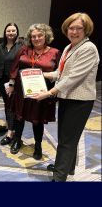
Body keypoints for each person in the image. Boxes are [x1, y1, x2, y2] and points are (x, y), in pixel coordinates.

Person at [33, 13, 99, 181]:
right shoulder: (70, 47)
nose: (74, 31)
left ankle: (59, 177)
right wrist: (43, 74)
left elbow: (73, 77)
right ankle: (68, 168)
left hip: (80, 101)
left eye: (79, 28)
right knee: (66, 136)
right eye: (71, 28)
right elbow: (61, 73)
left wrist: (49, 92)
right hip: (67, 98)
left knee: (67, 140)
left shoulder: (88, 48)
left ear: (86, 30)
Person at [6, 23, 60, 160]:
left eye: (39, 35)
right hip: (21, 90)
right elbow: (15, 67)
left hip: (41, 93)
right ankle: (17, 140)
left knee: (38, 120)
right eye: (33, 36)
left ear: (46, 36)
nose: (36, 38)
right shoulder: (24, 50)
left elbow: (59, 73)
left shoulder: (55, 52)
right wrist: (11, 83)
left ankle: (38, 145)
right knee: (19, 117)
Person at [0, 23, 23, 145]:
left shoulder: (21, 47)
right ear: (5, 32)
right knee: (8, 105)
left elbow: (20, 65)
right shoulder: (0, 46)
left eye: (13, 30)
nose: (11, 33)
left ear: (17, 32)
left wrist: (13, 83)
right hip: (3, 81)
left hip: (15, 82)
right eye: (8, 30)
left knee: (15, 107)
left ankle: (12, 133)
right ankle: (11, 130)